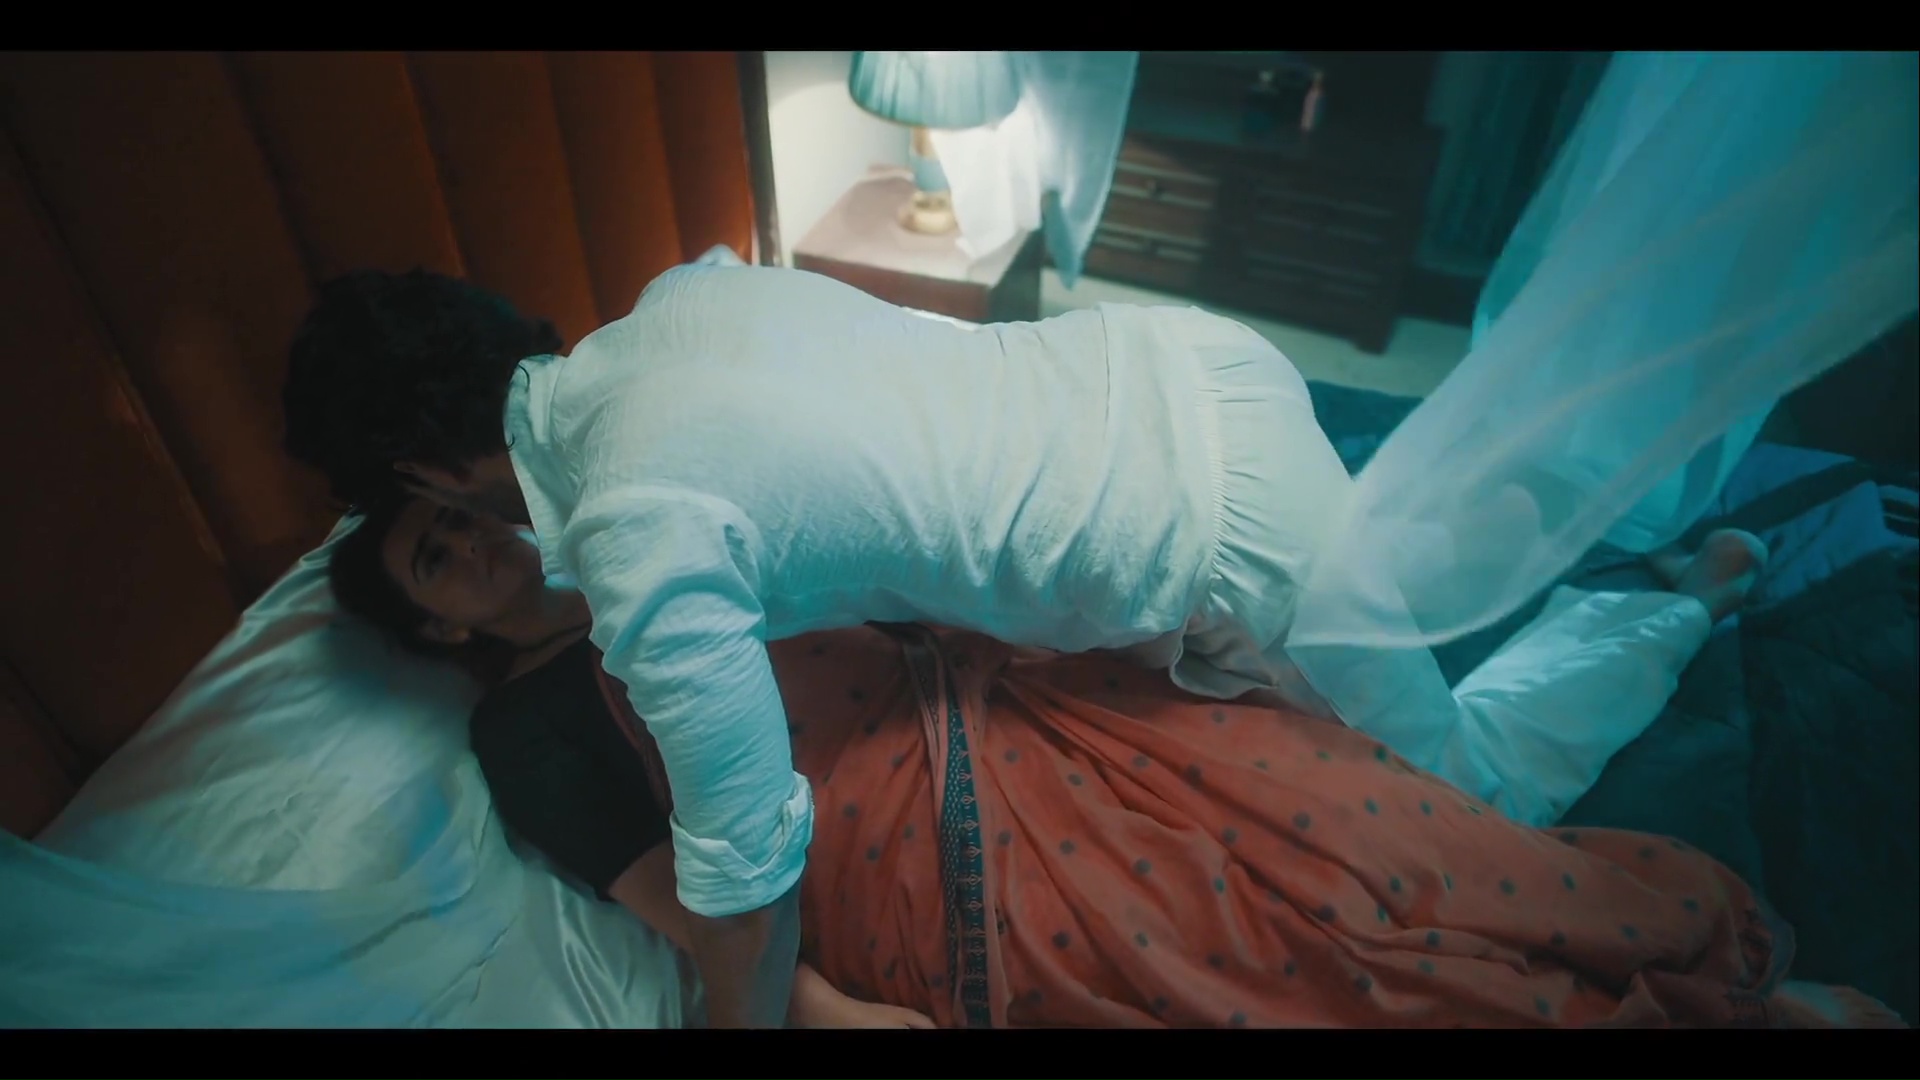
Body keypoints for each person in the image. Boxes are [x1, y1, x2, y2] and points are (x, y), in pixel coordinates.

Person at [282, 262, 1752, 1025]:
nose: (467, 546)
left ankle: (1669, 603)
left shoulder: (638, 537)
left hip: (1213, 524)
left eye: (428, 518)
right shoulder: (681, 299)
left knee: (1462, 793)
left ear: (417, 469)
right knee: (1315, 740)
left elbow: (748, 867)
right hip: (1172, 364)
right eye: (430, 561)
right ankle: (1621, 591)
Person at [326, 491, 1905, 1029]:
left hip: (1019, 702)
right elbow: (682, 904)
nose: (479, 541)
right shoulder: (534, 722)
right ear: (444, 626)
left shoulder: (668, 531)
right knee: (1283, 957)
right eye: (437, 556)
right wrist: (825, 1012)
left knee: (1382, 824)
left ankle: (1678, 937)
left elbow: (914, 569)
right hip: (923, 862)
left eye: (463, 515)